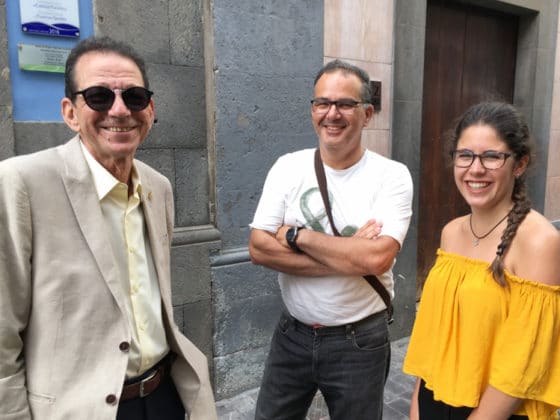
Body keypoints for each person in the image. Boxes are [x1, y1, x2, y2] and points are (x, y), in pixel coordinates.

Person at [0, 36, 217, 420]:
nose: (119, 110)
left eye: (134, 97)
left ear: (150, 109)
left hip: (163, 394)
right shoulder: (21, 183)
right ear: (70, 112)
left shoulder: (158, 187)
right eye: (99, 96)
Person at [249, 59, 413, 419]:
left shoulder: (392, 177)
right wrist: (350, 255)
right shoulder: (287, 167)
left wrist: (296, 235)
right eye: (322, 103)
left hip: (360, 342)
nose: (332, 113)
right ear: (313, 110)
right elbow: (258, 248)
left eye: (345, 104)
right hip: (292, 334)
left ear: (367, 114)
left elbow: (376, 260)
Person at [403, 102, 560, 420]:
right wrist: (417, 408)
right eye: (465, 155)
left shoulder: (539, 242)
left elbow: (522, 366)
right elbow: (436, 334)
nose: (475, 169)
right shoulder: (450, 233)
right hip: (437, 398)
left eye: (492, 156)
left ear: (519, 164)